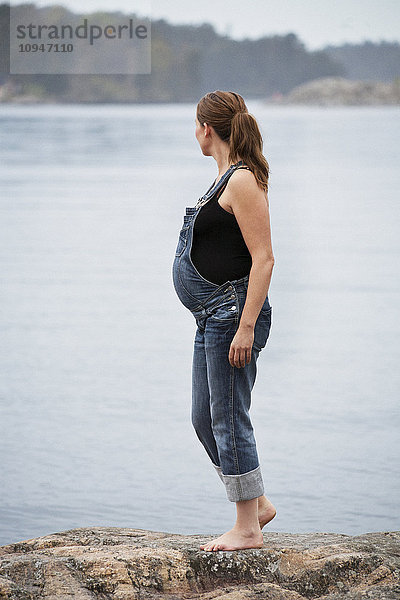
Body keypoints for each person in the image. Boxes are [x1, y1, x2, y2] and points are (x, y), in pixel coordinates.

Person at [172, 90, 276, 551]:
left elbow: (264, 259)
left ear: (206, 129)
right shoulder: (222, 181)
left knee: (229, 419)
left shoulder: (242, 182)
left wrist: (247, 326)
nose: (194, 132)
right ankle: (258, 503)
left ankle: (247, 528)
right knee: (203, 419)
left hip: (233, 315)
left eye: (195, 125)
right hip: (210, 316)